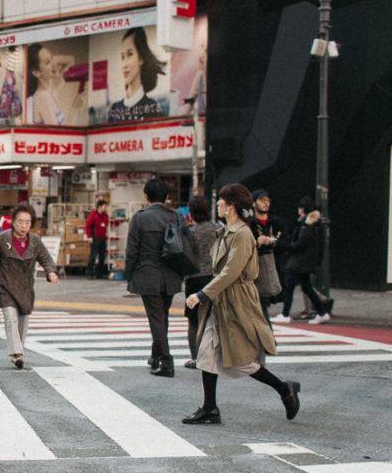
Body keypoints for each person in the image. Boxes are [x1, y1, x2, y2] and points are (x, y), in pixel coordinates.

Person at [182, 184, 301, 424]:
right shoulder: (228, 230)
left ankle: (284, 388)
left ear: (232, 205)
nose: (217, 204)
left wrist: (202, 294)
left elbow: (230, 272)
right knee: (206, 353)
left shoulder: (243, 234)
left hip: (236, 302)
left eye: (221, 201)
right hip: (223, 301)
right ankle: (209, 408)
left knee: (243, 361)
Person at [0, 203, 59, 369]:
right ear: (13, 222)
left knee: (23, 321)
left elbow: (46, 259)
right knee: (10, 319)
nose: (24, 226)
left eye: (27, 222)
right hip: (5, 286)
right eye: (20, 222)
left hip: (25, 288)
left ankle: (18, 351)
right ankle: (17, 354)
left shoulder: (35, 241)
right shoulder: (3, 239)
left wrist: (51, 273)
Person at [125, 178, 182, 377]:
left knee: (156, 318)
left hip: (147, 274)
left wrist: (129, 272)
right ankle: (155, 355)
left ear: (146, 197)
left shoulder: (140, 218)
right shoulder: (177, 217)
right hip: (172, 275)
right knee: (162, 316)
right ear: (167, 197)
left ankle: (166, 361)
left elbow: (132, 250)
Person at [271, 197, 330, 325]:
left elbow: (300, 243)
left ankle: (285, 314)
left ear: (302, 209)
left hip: (299, 262)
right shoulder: (313, 223)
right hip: (305, 262)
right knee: (306, 287)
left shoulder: (306, 224)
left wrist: (288, 247)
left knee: (290, 286)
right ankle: (322, 312)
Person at [183, 195, 219, 369]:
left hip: (195, 278)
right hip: (216, 277)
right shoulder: (219, 229)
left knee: (194, 321)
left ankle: (196, 358)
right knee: (216, 318)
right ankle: (218, 355)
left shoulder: (190, 232)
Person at [108, 28, 166, 123]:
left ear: (141, 58)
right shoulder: (115, 109)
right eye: (122, 57)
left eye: (130, 54)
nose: (124, 64)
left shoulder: (153, 108)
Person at [249, 189, 289, 321]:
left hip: (273, 267)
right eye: (262, 200)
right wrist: (257, 242)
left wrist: (273, 243)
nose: (266, 203)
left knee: (262, 306)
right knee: (260, 306)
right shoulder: (250, 223)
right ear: (254, 203)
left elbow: (287, 243)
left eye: (268, 200)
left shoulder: (276, 222)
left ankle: (267, 338)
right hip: (256, 268)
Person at [26, 43, 83, 125]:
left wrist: (51, 60)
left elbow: (71, 60)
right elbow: (59, 136)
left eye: (52, 59)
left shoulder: (52, 90)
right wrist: (74, 107)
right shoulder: (43, 97)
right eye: (47, 62)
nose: (54, 63)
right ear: (36, 72)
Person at [85, 199, 109, 279]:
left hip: (102, 238)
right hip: (95, 237)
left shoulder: (105, 215)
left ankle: (100, 273)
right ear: (99, 206)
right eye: (104, 206)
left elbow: (105, 224)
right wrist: (89, 236)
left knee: (102, 256)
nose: (105, 208)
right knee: (93, 255)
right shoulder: (93, 214)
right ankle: (89, 273)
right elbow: (88, 226)